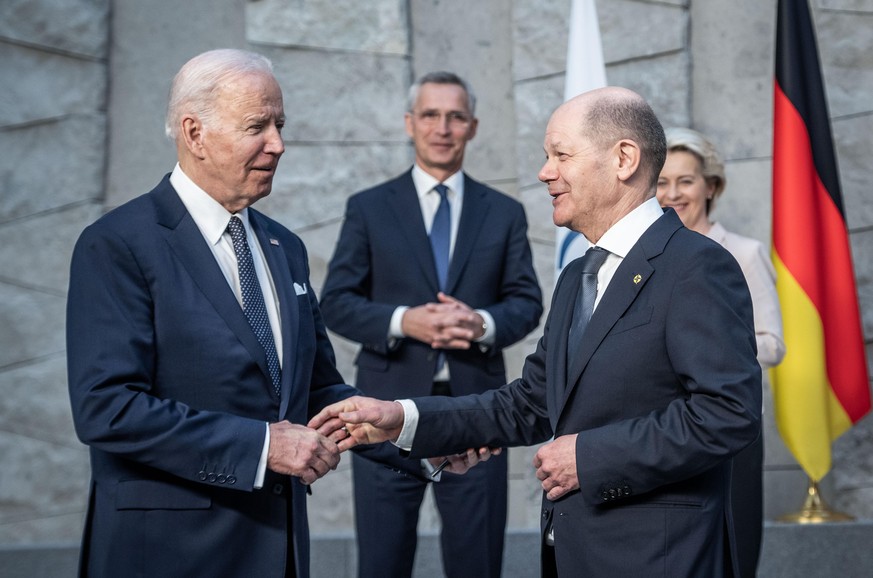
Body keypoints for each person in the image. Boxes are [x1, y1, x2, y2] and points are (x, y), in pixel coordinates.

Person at [311, 86, 763, 578]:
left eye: (560, 155)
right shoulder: (578, 276)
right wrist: (402, 417)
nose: (544, 172)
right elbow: (530, 402)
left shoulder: (696, 266)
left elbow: (728, 414)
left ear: (624, 158)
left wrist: (589, 458)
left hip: (660, 557)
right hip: (576, 553)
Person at [66, 48, 364, 578]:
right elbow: (108, 408)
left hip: (279, 550)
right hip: (169, 554)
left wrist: (419, 437)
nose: (278, 144)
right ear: (194, 133)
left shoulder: (284, 246)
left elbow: (316, 391)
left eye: (279, 124)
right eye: (257, 126)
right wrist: (263, 446)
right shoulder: (118, 244)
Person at [319, 70, 543, 578]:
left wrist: (480, 323)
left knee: (477, 562)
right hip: (383, 414)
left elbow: (526, 301)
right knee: (381, 562)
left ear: (473, 127)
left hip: (475, 415)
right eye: (430, 115)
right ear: (409, 123)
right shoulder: (370, 208)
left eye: (455, 116)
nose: (443, 127)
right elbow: (335, 301)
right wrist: (404, 321)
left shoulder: (504, 212)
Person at [657, 126, 786, 577]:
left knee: (734, 550)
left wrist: (705, 351)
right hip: (665, 430)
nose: (673, 193)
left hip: (731, 427)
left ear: (711, 186)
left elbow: (772, 343)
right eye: (662, 181)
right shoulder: (649, 258)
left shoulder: (744, 253)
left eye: (686, 181)